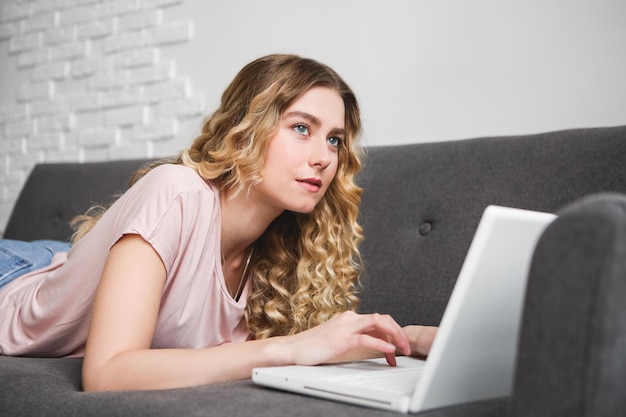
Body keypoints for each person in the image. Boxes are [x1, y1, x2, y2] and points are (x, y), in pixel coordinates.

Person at [0, 54, 436, 391]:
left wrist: (412, 339)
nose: (324, 156)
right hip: (15, 276)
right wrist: (288, 349)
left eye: (334, 139)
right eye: (302, 128)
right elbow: (107, 372)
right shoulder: (175, 191)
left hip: (61, 264)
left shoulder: (281, 243)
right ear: (248, 128)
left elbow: (326, 338)